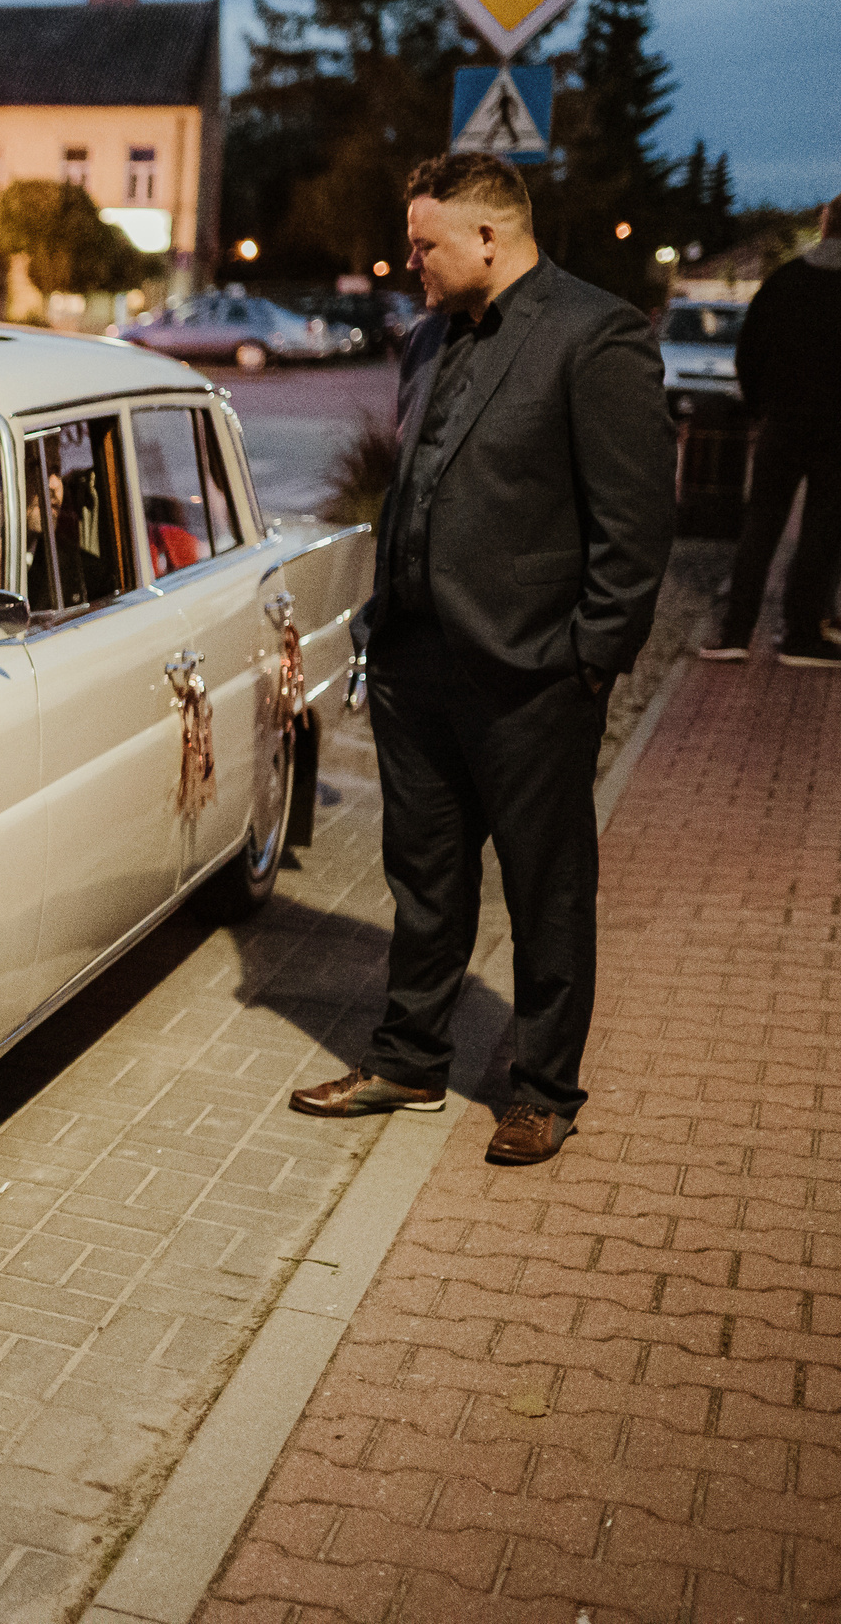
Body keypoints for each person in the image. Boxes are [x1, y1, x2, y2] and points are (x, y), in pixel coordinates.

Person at [289, 152, 676, 1166]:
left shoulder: (595, 336)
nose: (408, 260)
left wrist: (587, 660)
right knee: (423, 875)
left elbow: (633, 528)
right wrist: (381, 623)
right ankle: (410, 1059)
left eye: (424, 244)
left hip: (532, 675)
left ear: (488, 238)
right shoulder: (425, 337)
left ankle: (542, 1088)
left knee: (545, 888)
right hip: (418, 662)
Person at [701, 194, 841, 668]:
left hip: (783, 423)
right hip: (837, 433)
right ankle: (801, 635)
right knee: (822, 530)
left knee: (761, 525)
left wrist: (763, 408)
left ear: (825, 226)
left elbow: (749, 350)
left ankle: (736, 632)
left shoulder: (785, 282)